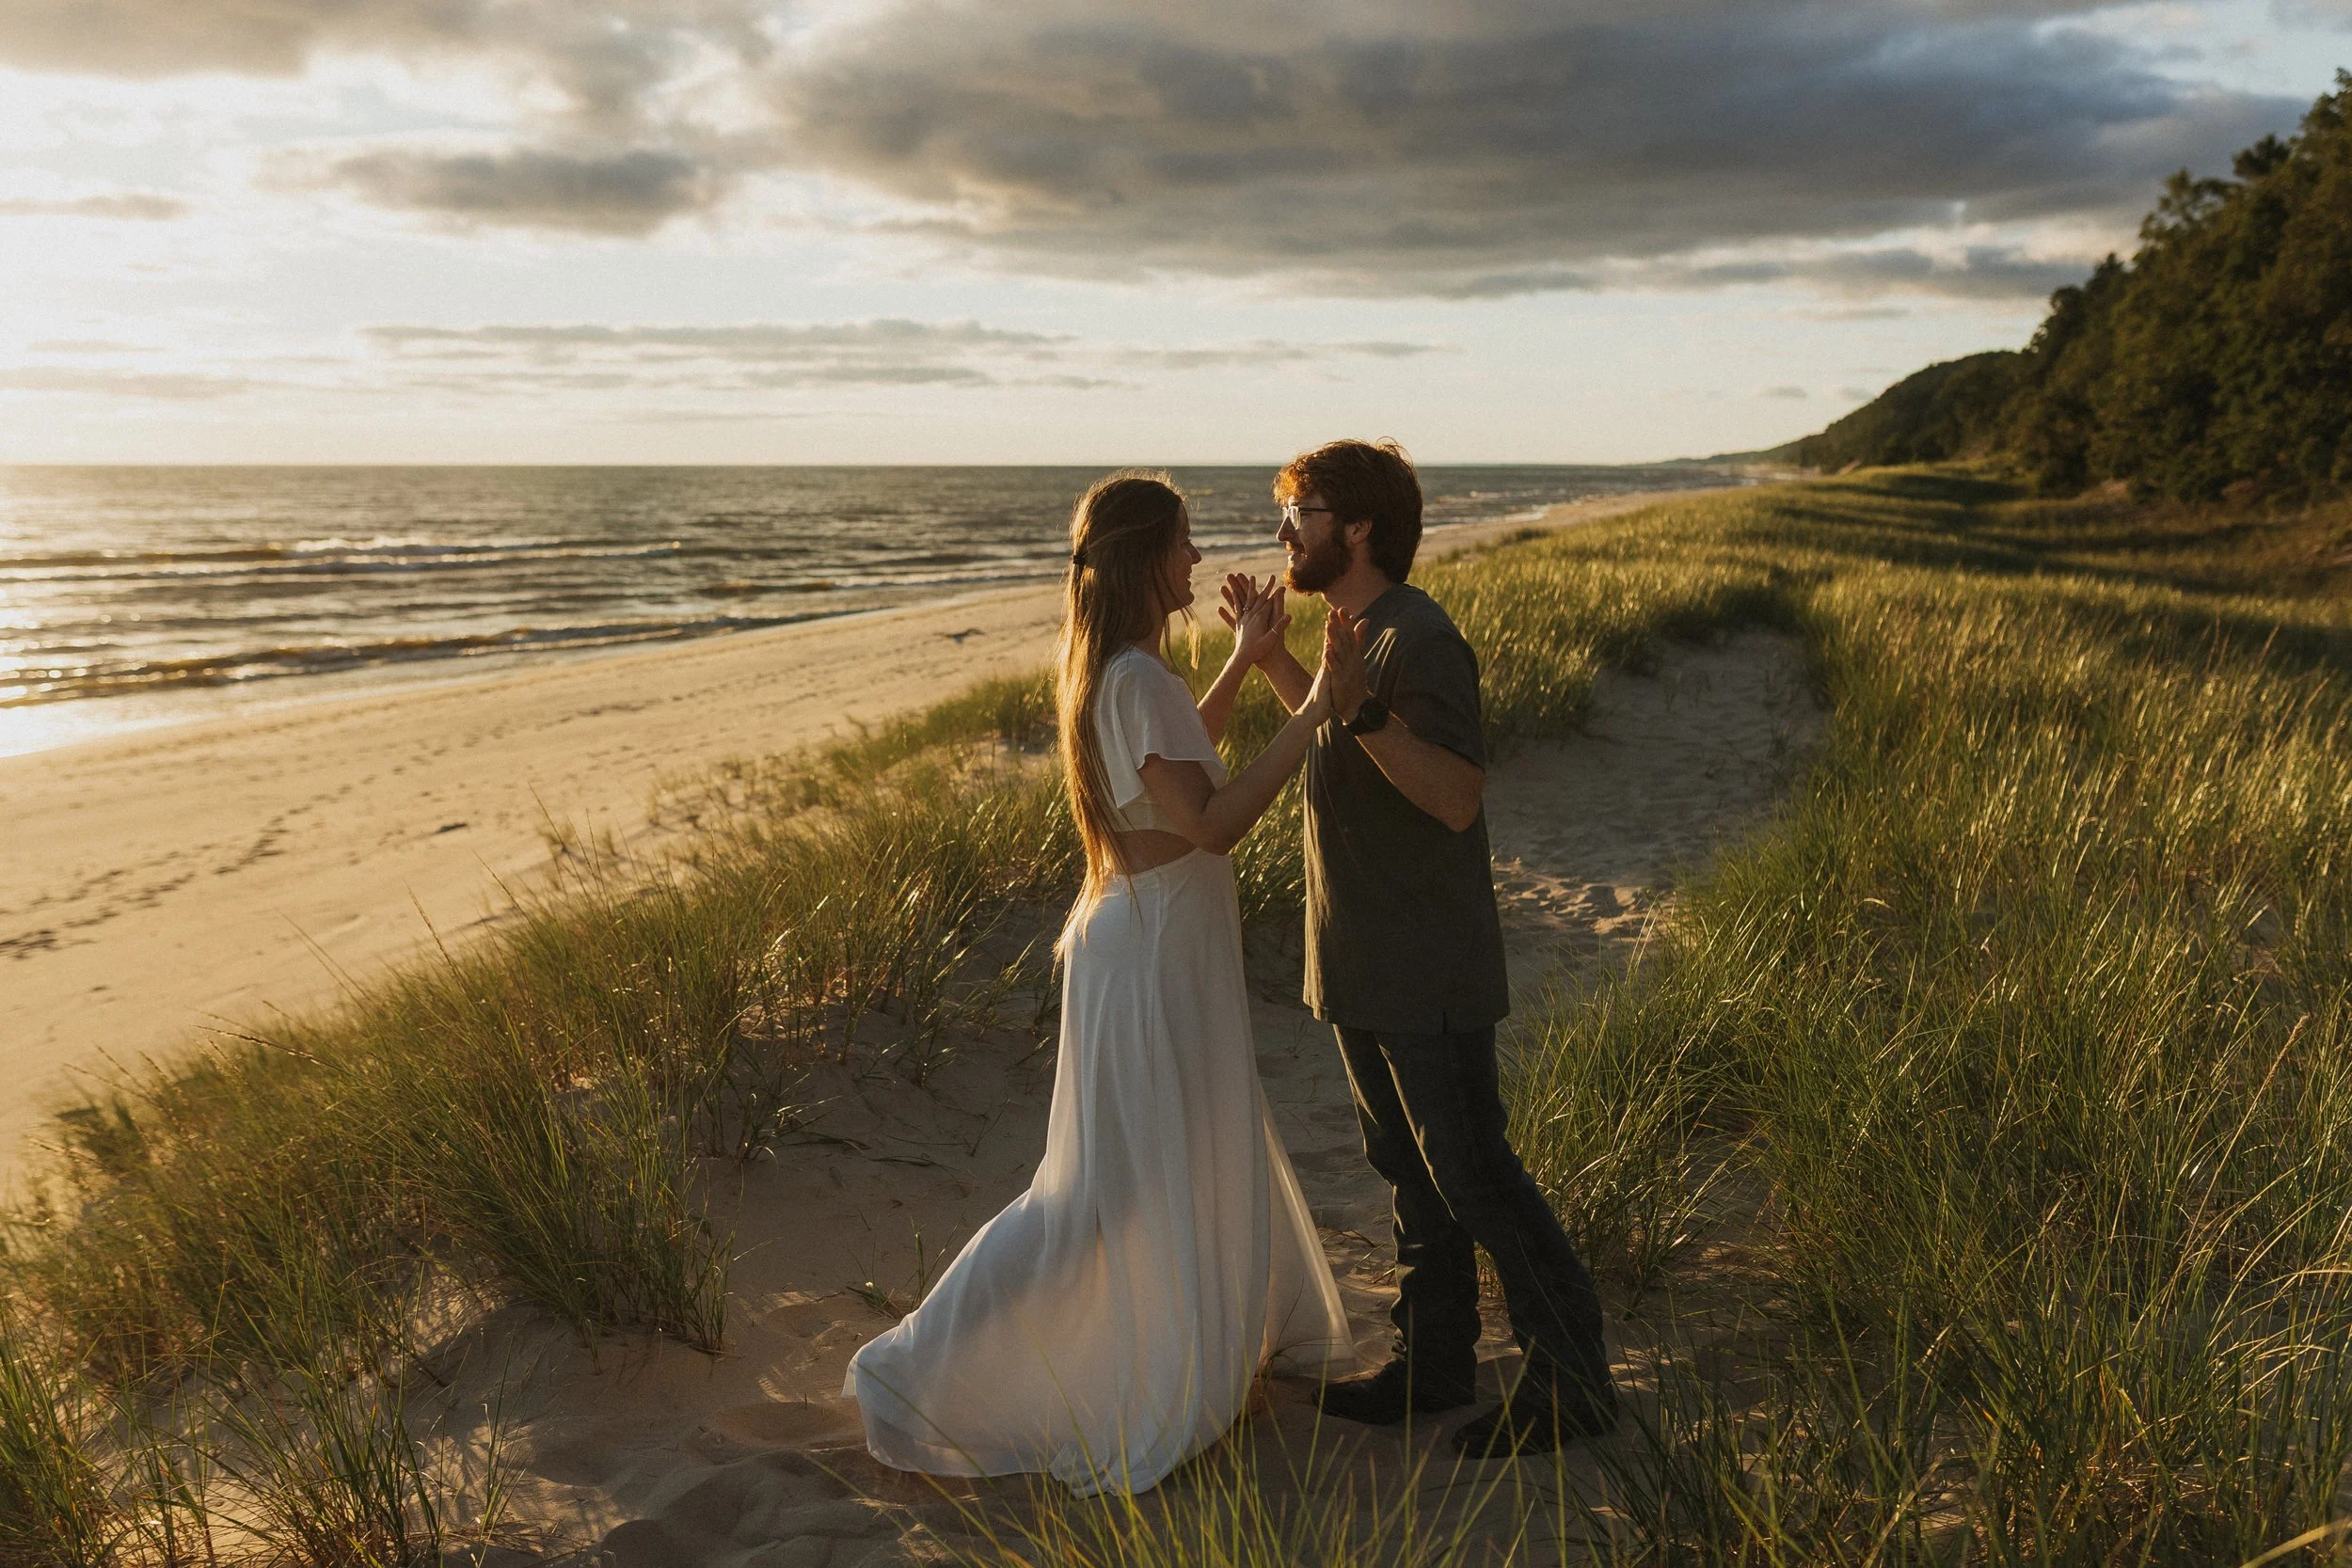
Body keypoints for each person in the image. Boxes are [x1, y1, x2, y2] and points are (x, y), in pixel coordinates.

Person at [844, 470, 1355, 1496]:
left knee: (1157, 1161)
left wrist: (1251, 658)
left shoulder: (1120, 674)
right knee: (1095, 1193)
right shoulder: (1134, 677)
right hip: (1156, 951)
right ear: (1141, 561)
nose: (1198, 558)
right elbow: (1210, 820)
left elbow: (1174, 769)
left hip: (1148, 942)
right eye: (1183, 542)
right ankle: (916, 1369)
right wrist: (1312, 717)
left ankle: (1189, 1346)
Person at [1221, 438, 1618, 1458]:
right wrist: (1277, 663)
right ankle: (1433, 1364)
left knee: (1475, 1174)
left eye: (1301, 512)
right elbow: (1339, 744)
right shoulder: (1356, 628)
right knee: (1408, 1172)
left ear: (1357, 526)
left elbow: (1452, 795)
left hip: (1424, 964)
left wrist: (1352, 704)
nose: (1283, 533)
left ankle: (1572, 1382)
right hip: (1360, 957)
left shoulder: (1420, 636)